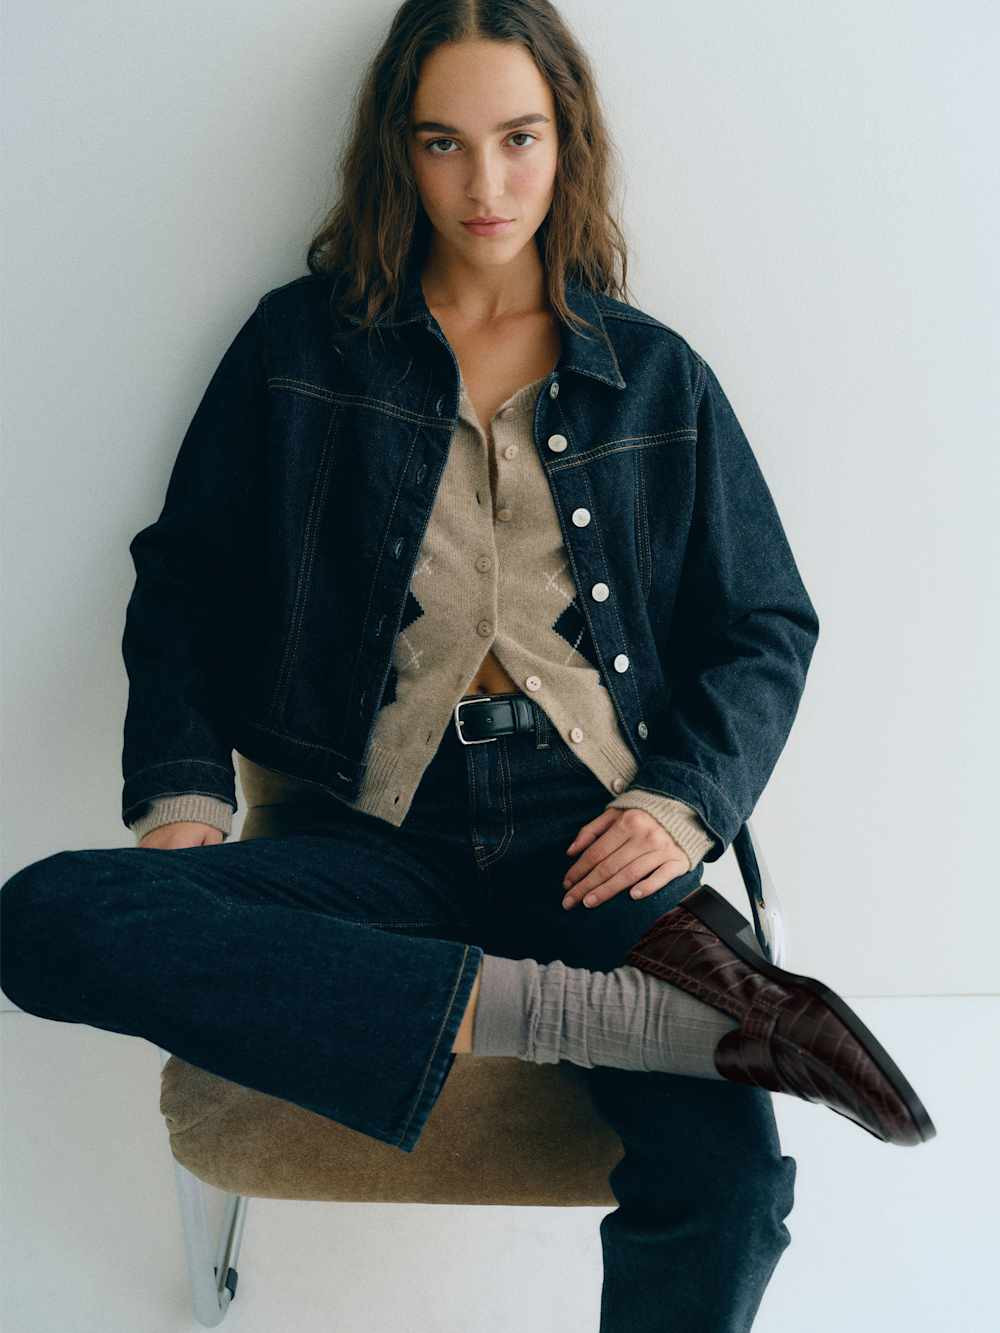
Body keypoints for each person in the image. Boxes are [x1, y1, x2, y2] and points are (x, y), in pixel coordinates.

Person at [0, 4, 936, 1330]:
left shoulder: (654, 377)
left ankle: (620, 998)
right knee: (43, 917)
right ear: (399, 150)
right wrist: (185, 796)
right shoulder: (299, 351)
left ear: (567, 144)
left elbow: (766, 622)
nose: (483, 184)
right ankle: (583, 1014)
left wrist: (683, 803)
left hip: (588, 839)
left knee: (731, 1190)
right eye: (443, 142)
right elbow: (186, 578)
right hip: (370, 835)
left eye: (518, 139)